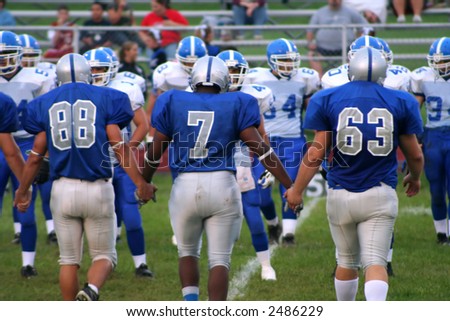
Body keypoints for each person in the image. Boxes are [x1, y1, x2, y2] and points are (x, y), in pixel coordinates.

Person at [143, 55, 293, 300]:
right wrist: (290, 185)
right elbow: (261, 149)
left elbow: (154, 152)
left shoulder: (171, 99)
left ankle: (191, 306)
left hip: (185, 185)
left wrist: (144, 182)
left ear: (194, 79)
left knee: (188, 253)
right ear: (226, 81)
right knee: (220, 260)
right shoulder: (238, 101)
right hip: (223, 185)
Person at [285, 47, 424, 301]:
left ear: (350, 68)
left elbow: (315, 153)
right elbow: (415, 155)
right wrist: (414, 177)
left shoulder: (327, 98)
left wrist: (296, 190)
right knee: (375, 263)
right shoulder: (401, 101)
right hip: (380, 192)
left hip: (340, 193)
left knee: (346, 261)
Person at [14, 53, 156, 301]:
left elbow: (36, 155)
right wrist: (140, 183)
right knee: (104, 256)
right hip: (97, 188)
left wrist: (23, 189)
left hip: (62, 189)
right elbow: (119, 146)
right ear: (88, 75)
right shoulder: (108, 98)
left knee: (68, 261)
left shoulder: (45, 102)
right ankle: (91, 290)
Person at [321, 35, 412, 277]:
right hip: (371, 155)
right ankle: (376, 262)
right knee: (381, 205)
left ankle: (373, 260)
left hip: (349, 156)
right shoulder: (334, 80)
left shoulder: (334, 83)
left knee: (347, 214)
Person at [243, 38, 320, 246]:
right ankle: (273, 223)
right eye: (283, 60)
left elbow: (312, 110)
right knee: (261, 193)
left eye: (291, 60)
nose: (289, 65)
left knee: (292, 187)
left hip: (293, 140)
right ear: (271, 61)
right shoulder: (255, 78)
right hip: (264, 142)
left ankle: (288, 235)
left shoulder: (305, 78)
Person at [83, 48, 153, 278]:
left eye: (99, 69)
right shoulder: (78, 90)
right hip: (91, 163)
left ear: (112, 69)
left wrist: (129, 149)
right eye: (91, 69)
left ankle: (140, 264)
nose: (94, 73)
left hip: (120, 164)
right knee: (95, 218)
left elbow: (142, 124)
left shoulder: (125, 88)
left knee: (131, 214)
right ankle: (101, 263)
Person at [0, 30, 56, 278]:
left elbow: (48, 115)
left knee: (27, 202)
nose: (2, 61)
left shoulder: (39, 77)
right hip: (2, 143)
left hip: (27, 142)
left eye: (6, 56)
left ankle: (28, 263)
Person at [217, 49, 276, 280]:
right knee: (217, 216)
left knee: (252, 209)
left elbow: (262, 135)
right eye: (227, 70)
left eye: (235, 70)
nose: (231, 75)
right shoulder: (204, 95)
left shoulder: (252, 97)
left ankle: (265, 265)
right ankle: (218, 263)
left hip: (241, 158)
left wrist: (268, 166)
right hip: (212, 159)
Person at [19, 33, 58, 245]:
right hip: (18, 136)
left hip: (41, 134)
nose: (27, 60)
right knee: (24, 185)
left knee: (46, 185)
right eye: (23, 56)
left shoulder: (46, 74)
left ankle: (51, 227)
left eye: (31, 56)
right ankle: (19, 229)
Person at [410, 37, 450, 244]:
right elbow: (414, 109)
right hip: (433, 136)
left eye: (444, 61)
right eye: (437, 61)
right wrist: (414, 138)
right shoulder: (422, 77)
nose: (439, 65)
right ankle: (441, 233)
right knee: (436, 189)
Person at [306, 0, 368, 78]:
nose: (334, 1)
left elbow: (364, 27)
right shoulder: (319, 13)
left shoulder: (350, 12)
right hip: (322, 49)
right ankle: (320, 83)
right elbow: (310, 31)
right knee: (312, 55)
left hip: (346, 49)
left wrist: (359, 42)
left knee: (357, 55)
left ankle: (348, 80)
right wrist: (310, 43)